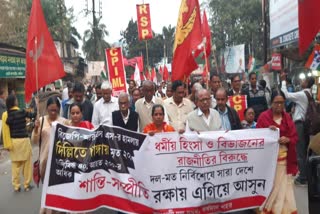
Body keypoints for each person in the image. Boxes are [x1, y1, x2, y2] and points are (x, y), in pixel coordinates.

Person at [256, 89, 298, 214]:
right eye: (276, 102)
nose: (279, 105)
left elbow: (295, 137)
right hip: (270, 163)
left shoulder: (287, 117)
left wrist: (288, 139)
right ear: (271, 103)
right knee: (273, 189)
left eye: (282, 102)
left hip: (285, 161)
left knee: (285, 191)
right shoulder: (264, 117)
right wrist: (268, 132)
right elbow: (258, 138)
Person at [31, 97, 66, 214]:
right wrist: (36, 129)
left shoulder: (64, 122)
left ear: (59, 110)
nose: (53, 113)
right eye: (51, 110)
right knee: (47, 190)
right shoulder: (41, 121)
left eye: (55, 110)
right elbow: (34, 141)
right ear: (47, 109)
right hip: (45, 162)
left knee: (58, 189)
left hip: (60, 163)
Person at [281, 73, 315, 185]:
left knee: (299, 151)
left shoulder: (302, 94)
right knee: (304, 150)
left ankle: (303, 177)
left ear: (306, 83)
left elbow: (285, 95)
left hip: (299, 125)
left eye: (303, 80)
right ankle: (306, 175)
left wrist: (283, 82)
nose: (301, 81)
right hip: (306, 125)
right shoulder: (310, 94)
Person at [2, 94, 36, 192]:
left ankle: (16, 186)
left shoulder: (6, 114)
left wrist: (7, 145)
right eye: (16, 99)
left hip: (13, 142)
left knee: (15, 165)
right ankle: (26, 185)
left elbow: (5, 131)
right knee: (27, 164)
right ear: (14, 102)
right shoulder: (22, 111)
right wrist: (37, 105)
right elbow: (33, 115)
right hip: (24, 141)